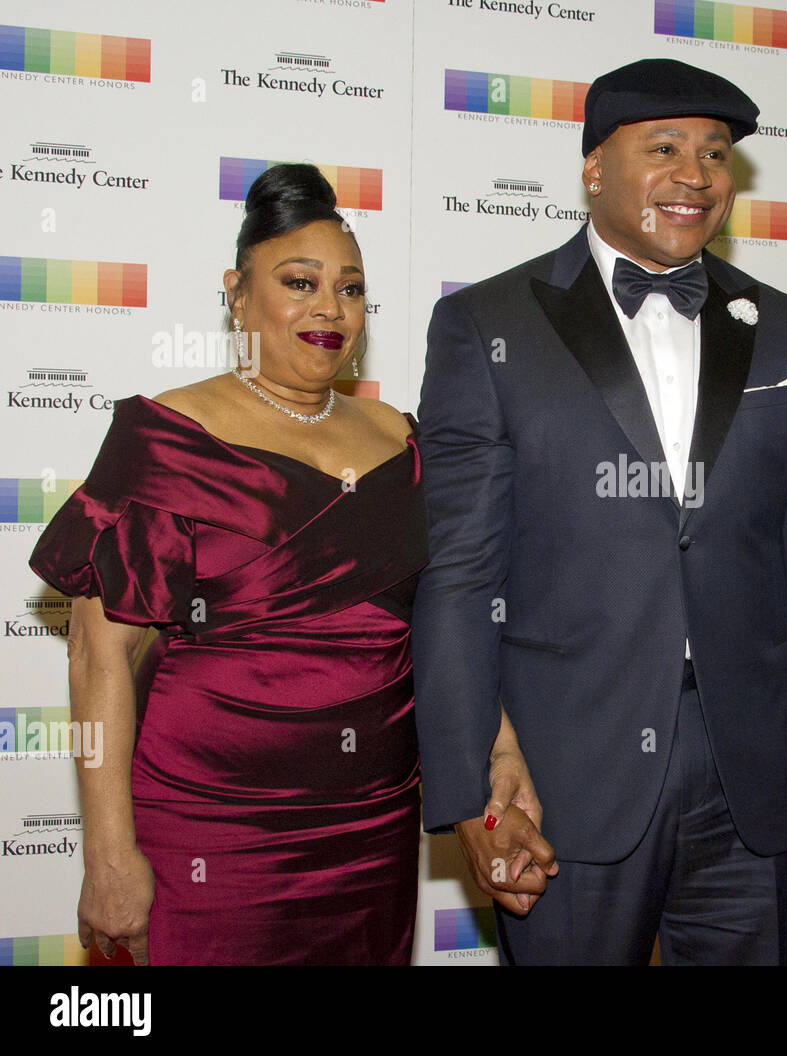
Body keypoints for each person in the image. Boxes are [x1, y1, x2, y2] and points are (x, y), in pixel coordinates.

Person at [413, 58, 787, 965]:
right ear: (594, 166)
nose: (696, 175)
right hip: (558, 777)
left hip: (752, 783)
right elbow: (460, 573)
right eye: (665, 148)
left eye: (716, 154)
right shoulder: (489, 325)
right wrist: (474, 778)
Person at [28, 164, 529, 965]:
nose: (329, 307)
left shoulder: (401, 437)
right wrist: (109, 855)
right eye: (299, 282)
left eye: (351, 289)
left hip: (371, 827)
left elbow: (444, 623)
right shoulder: (166, 439)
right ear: (236, 292)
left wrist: (498, 749)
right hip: (211, 827)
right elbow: (100, 655)